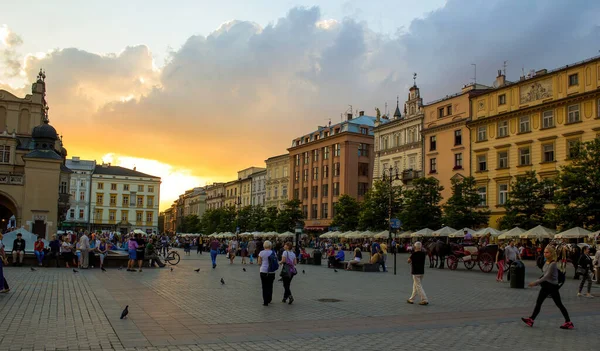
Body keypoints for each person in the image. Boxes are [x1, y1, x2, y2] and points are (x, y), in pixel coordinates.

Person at [521, 245, 573, 329]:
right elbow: (544, 275)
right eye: (544, 252)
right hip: (545, 286)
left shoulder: (553, 264)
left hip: (552, 286)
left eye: (547, 252)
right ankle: (531, 319)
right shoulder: (547, 262)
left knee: (559, 304)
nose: (545, 254)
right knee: (539, 303)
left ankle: (568, 322)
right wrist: (538, 281)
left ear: (551, 253)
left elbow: (547, 276)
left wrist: (535, 282)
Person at [258, 240, 276, 306]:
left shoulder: (261, 253)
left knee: (264, 286)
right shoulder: (273, 252)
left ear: (264, 245)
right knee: (270, 285)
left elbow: (259, 262)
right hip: (271, 271)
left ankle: (265, 301)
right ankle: (269, 299)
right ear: (270, 245)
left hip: (263, 271)